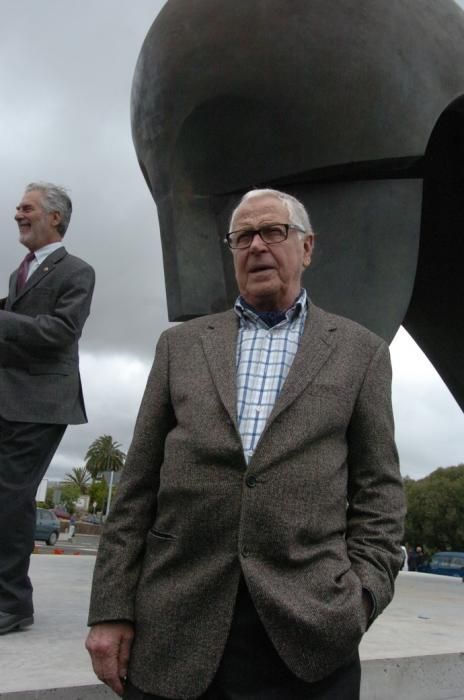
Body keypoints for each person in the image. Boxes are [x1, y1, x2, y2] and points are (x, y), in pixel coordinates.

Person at [86, 189, 405, 700]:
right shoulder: (180, 346)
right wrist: (110, 609)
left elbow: (380, 496)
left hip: (309, 634)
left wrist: (361, 599)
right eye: (242, 236)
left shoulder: (360, 352)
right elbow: (136, 487)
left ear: (306, 248)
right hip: (175, 626)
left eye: (273, 232)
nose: (256, 246)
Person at [0, 182, 95, 635]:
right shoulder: (20, 272)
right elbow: (21, 316)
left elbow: (59, 331)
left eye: (27, 208)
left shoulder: (77, 271)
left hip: (41, 403)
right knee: (7, 500)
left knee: (10, 498)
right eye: (18, 207)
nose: (18, 213)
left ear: (55, 217)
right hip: (8, 398)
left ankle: (12, 603)